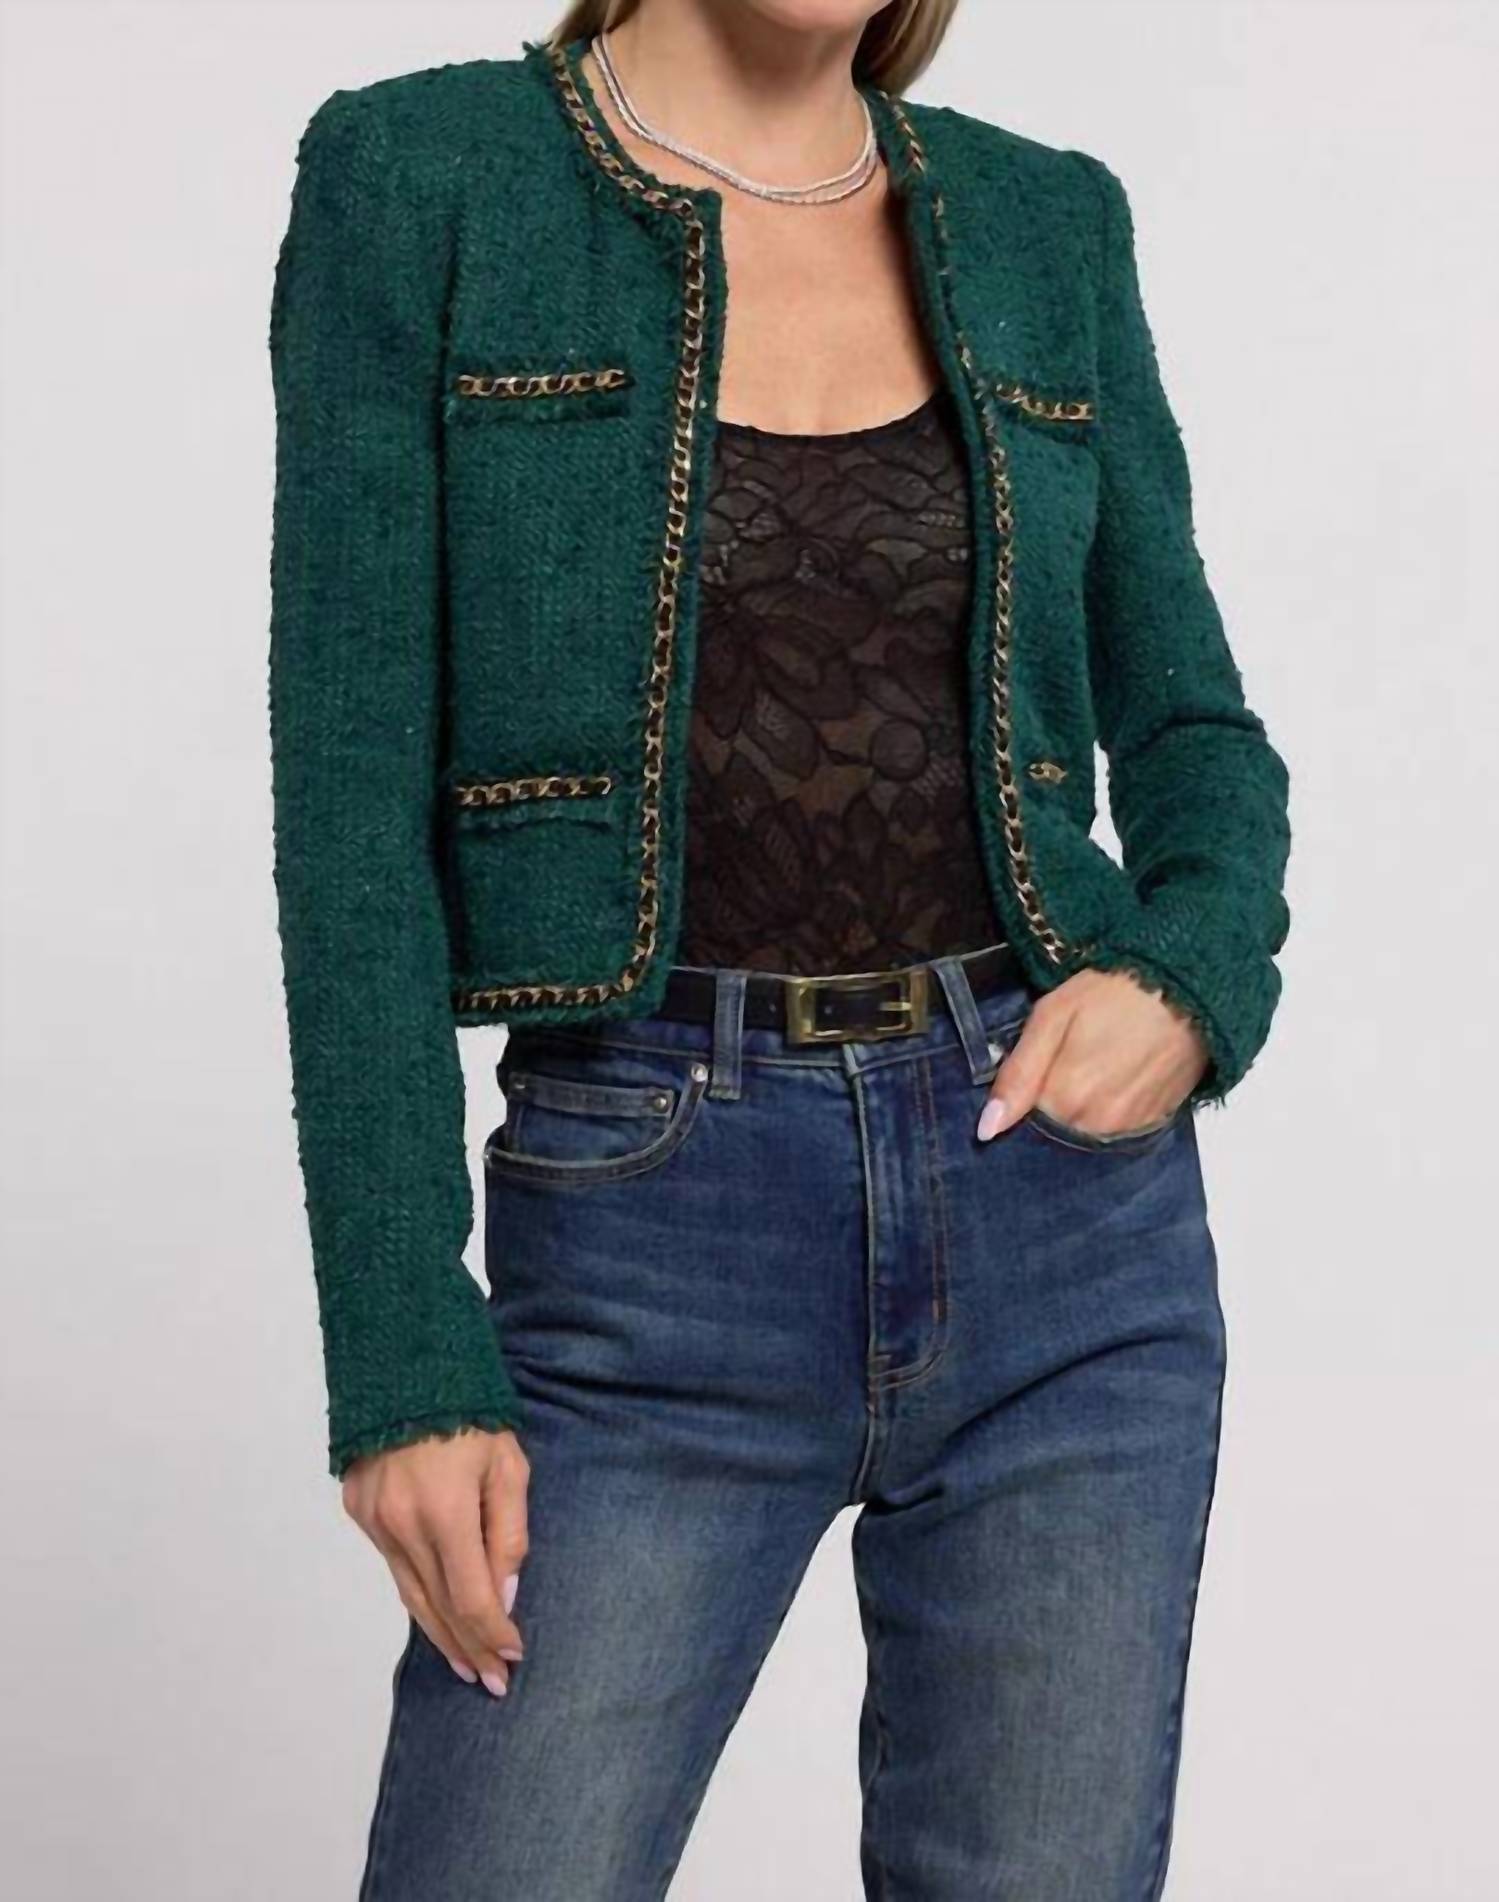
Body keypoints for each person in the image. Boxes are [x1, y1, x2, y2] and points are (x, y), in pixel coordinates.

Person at [266, 2, 1291, 1895]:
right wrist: (402, 1346)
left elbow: (1195, 732)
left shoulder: (1046, 221)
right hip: (652, 1222)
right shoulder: (426, 181)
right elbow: (350, 813)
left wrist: (1189, 978)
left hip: (1066, 1234)